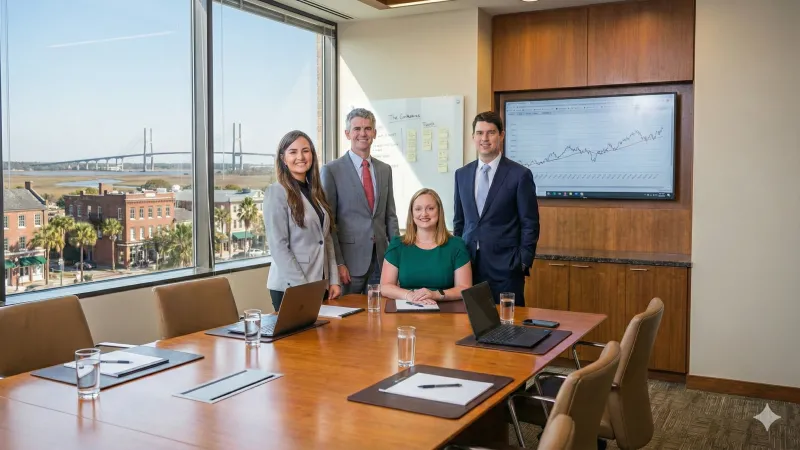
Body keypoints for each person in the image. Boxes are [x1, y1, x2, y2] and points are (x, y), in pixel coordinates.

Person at [453, 111, 540, 306]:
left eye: (491, 133)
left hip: (507, 268)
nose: (484, 138)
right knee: (469, 326)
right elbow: (459, 221)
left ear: (501, 135)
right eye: (480, 133)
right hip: (469, 267)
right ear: (473, 137)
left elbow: (530, 222)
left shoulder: (519, 175)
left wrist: (522, 262)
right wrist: (457, 257)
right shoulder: (462, 174)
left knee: (510, 326)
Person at [321, 108, 400, 295]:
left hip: (382, 262)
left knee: (380, 317)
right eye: (357, 128)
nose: (362, 133)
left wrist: (397, 256)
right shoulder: (332, 170)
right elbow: (329, 224)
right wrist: (338, 263)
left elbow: (390, 217)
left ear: (374, 133)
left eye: (368, 128)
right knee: (351, 319)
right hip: (349, 264)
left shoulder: (384, 170)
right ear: (347, 133)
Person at [264, 130, 341, 311]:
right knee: (297, 340)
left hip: (319, 283)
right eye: (293, 152)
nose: (300, 156)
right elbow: (279, 246)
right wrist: (303, 287)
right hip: (291, 286)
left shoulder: (316, 192)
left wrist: (333, 279)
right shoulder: (276, 192)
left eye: (306, 151)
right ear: (283, 158)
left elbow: (326, 239)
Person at [380, 188, 472, 305]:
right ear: (412, 213)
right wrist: (410, 296)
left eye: (430, 208)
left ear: (439, 211)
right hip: (406, 307)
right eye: (418, 209)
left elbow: (464, 288)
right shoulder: (398, 244)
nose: (424, 214)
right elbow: (385, 287)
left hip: (446, 310)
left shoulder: (456, 245)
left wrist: (436, 295)